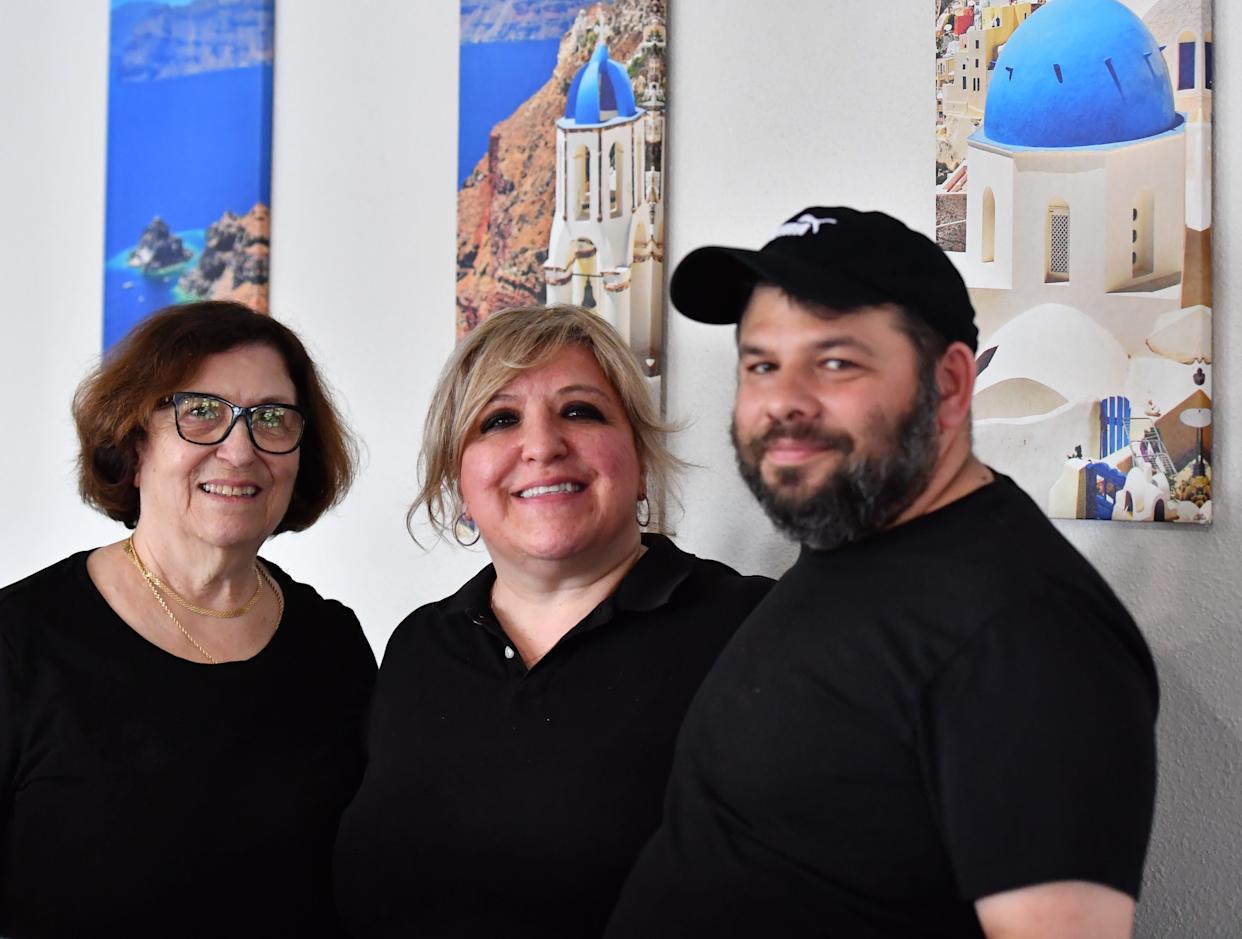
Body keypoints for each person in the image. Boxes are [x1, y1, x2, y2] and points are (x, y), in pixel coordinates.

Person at [606, 208, 1159, 938]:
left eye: (836, 362)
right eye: (761, 364)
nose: (783, 402)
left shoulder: (1029, 633)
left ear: (952, 384)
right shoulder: (852, 537)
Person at [333, 304, 772, 938]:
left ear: (641, 460)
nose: (541, 446)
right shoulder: (420, 646)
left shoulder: (751, 631)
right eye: (500, 420)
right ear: (460, 482)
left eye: (580, 411)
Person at [0, 301, 376, 938]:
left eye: (272, 418)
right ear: (134, 439)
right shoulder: (20, 638)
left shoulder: (333, 643)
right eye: (200, 412)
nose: (240, 449)